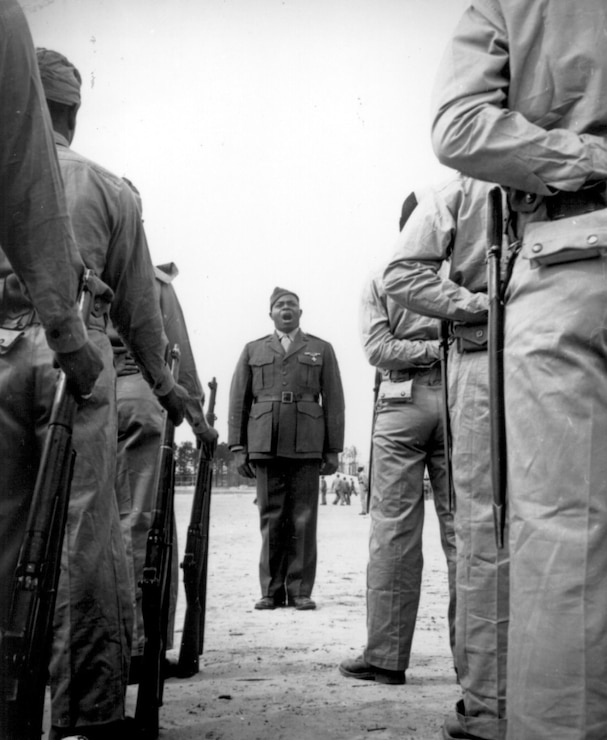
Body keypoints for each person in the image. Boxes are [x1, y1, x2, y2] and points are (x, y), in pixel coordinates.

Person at [430, 3, 607, 739]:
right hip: (543, 277)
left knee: (563, 529)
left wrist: (588, 160)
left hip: (565, 253)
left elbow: (459, 125)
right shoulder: (442, 208)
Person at [28, 49, 190, 740]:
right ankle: (86, 712)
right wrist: (166, 387)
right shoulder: (106, 187)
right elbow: (142, 320)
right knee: (85, 538)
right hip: (74, 365)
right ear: (71, 112)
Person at [384, 179, 507, 740]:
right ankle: (489, 691)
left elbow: (403, 278)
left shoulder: (458, 189)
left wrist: (480, 308)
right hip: (458, 371)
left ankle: (489, 697)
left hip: (476, 365)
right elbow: (375, 343)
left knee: (477, 527)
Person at [339, 235, 456, 687]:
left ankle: (386, 658)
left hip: (399, 402)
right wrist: (440, 353)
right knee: (465, 531)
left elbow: (377, 349)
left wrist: (420, 352)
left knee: (393, 531)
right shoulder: (460, 276)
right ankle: (479, 666)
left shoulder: (381, 277)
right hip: (456, 397)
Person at [112, 255, 218, 681]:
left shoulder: (62, 259)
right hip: (141, 392)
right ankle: (139, 647)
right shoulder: (153, 281)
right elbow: (179, 358)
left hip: (74, 391)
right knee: (142, 522)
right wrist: (199, 423)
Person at [228, 287, 345, 611]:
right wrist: (239, 447)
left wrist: (332, 449)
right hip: (265, 442)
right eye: (280, 305)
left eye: (292, 304)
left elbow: (334, 401)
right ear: (271, 314)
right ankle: (270, 590)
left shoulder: (321, 348)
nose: (286, 309)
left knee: (304, 519)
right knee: (271, 517)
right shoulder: (253, 349)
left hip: (308, 443)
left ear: (300, 312)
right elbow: (239, 398)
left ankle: (300, 591)